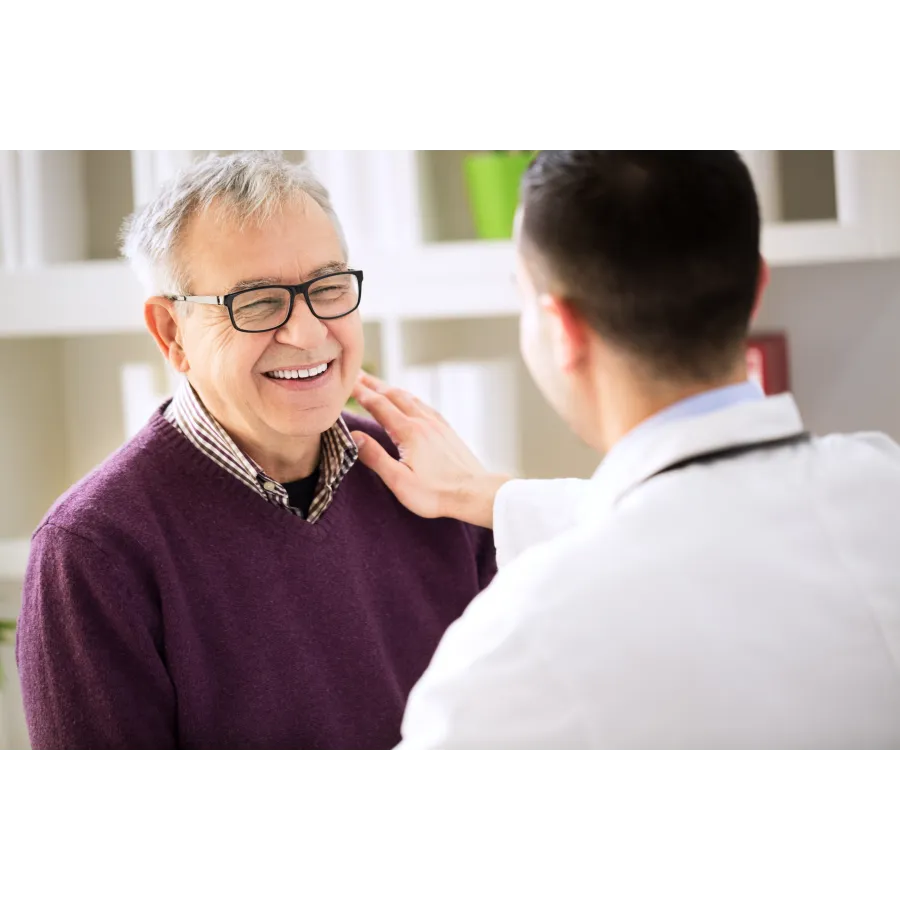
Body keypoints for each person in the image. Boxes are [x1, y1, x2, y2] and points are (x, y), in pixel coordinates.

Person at [349, 145, 900, 750]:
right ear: (757, 285)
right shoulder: (880, 477)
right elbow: (709, 522)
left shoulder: (517, 650)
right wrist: (496, 496)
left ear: (561, 329)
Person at [16, 151, 496, 751]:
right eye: (259, 302)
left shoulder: (426, 474)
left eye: (327, 287)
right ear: (172, 334)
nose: (307, 332)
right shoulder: (92, 549)